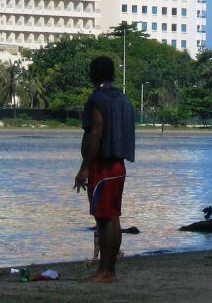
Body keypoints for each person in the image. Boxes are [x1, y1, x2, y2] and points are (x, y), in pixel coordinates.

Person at [74, 56, 135, 283]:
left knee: (105, 218)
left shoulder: (98, 99)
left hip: (104, 165)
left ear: (92, 75)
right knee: (113, 217)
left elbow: (96, 132)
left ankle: (106, 272)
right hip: (119, 164)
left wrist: (84, 168)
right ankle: (109, 270)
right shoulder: (123, 99)